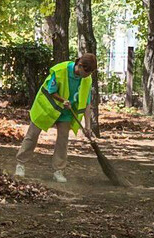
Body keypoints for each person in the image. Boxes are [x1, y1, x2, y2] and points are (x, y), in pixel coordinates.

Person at [14, 54, 97, 183]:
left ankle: (59, 170)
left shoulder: (87, 78)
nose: (87, 75)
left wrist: (87, 126)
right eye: (86, 72)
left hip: (66, 113)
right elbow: (51, 91)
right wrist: (63, 100)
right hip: (47, 108)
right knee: (32, 135)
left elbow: (86, 104)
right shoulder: (60, 70)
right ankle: (20, 164)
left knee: (63, 140)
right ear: (80, 65)